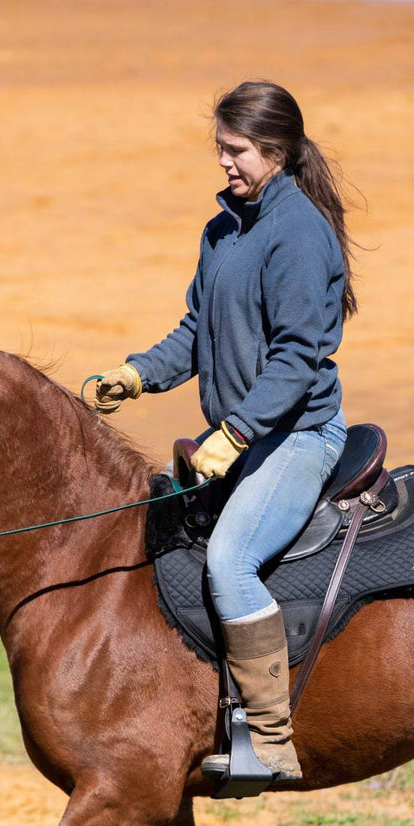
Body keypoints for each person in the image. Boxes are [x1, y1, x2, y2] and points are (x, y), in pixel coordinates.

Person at [94, 81, 356, 783]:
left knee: (231, 562)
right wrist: (138, 374)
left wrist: (236, 432)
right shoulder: (223, 230)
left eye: (236, 150)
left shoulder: (299, 234)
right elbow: (196, 330)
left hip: (298, 436)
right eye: (220, 148)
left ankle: (270, 740)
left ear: (277, 151)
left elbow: (297, 358)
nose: (224, 162)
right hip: (247, 436)